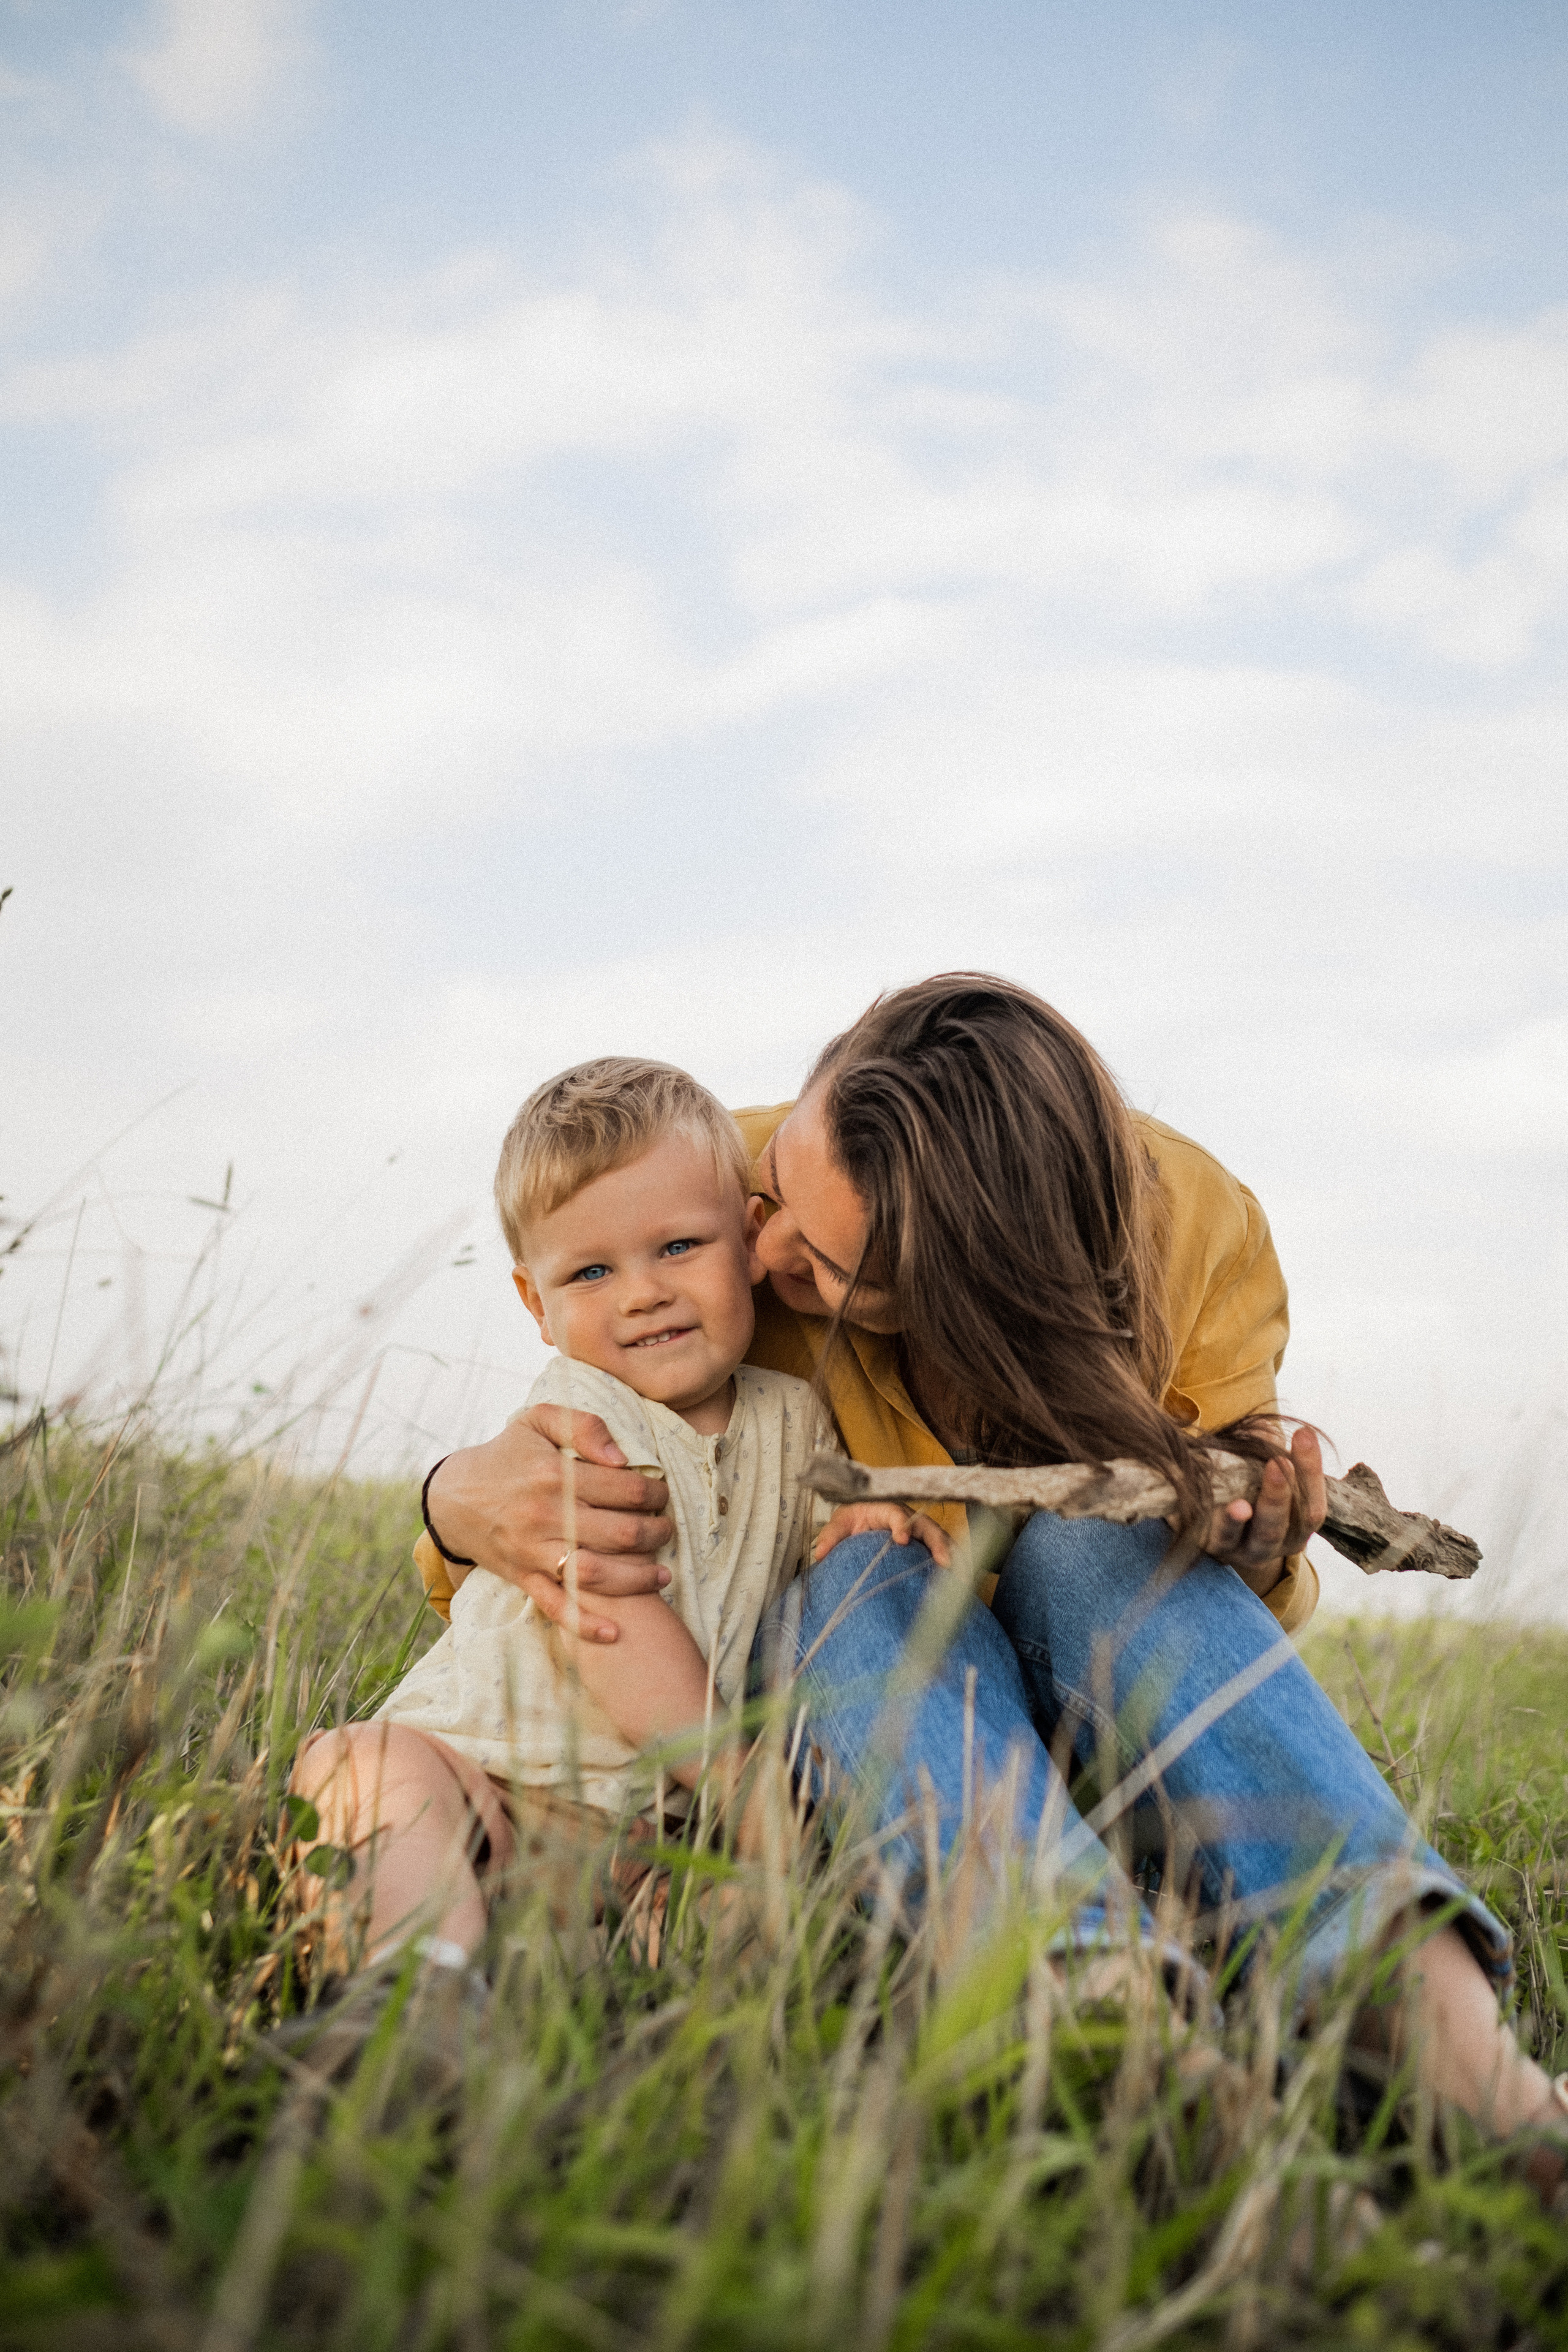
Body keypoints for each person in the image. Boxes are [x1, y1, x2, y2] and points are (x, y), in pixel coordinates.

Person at [421, 974, 1567, 2191]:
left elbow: (1224, 1635)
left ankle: (1462, 2068)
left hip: (1117, 1766)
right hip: (872, 1752)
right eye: (770, 1204)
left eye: (822, 1266)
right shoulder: (717, 1184)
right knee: (854, 1571)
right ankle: (1100, 2022)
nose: (758, 1257)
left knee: (1096, 1542)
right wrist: (451, 1497)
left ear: (968, 1300)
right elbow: (553, 1486)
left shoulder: (1192, 1231)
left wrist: (1248, 1540)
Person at [292, 1057, 945, 1968]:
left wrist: (870, 1526)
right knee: (360, 1770)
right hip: (491, 1785)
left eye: (679, 1247)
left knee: (761, 1923)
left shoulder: (797, 1418)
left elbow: (818, 1566)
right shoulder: (583, 1415)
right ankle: (415, 1985)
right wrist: (742, 1787)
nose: (643, 1293)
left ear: (749, 1239)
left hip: (648, 1839)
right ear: (537, 1303)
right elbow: (611, 1613)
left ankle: (604, 1970)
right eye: (592, 1271)